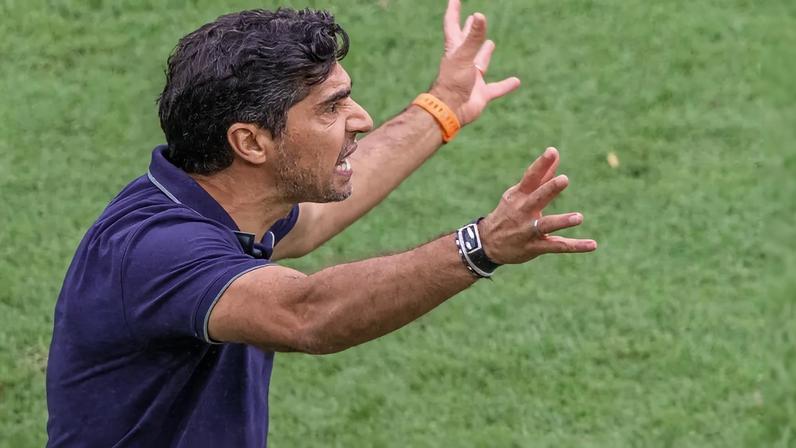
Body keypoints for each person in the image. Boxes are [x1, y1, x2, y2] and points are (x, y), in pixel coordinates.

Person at [45, 1, 596, 446]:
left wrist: (444, 104)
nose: (362, 118)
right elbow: (306, 315)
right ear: (251, 142)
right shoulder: (153, 250)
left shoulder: (218, 199)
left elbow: (308, 223)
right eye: (331, 107)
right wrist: (482, 245)